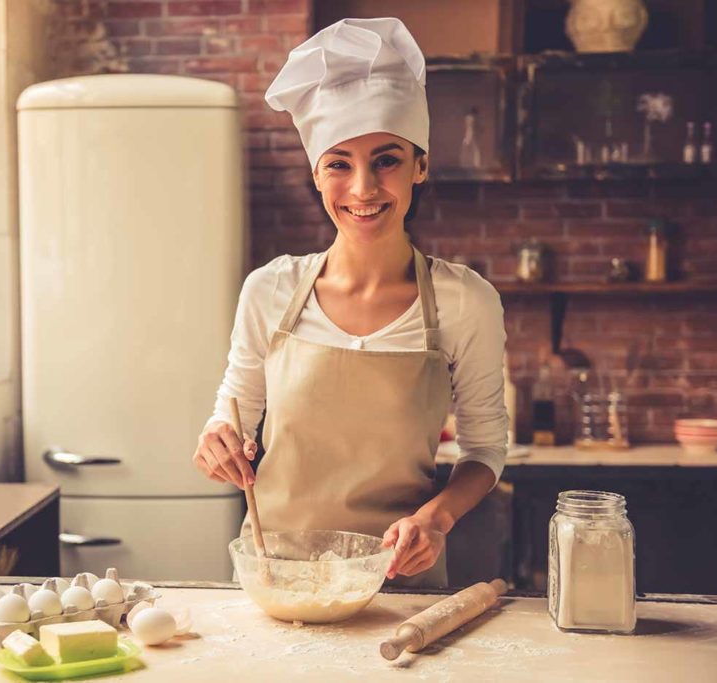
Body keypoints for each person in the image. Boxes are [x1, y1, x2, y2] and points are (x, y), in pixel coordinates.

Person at [192, 18, 508, 587]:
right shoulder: (269, 290)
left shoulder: (465, 303)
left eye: (386, 160)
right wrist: (218, 439)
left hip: (401, 583)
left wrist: (436, 519)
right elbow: (235, 410)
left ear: (420, 166)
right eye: (339, 163)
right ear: (317, 174)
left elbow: (484, 451)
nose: (363, 188)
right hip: (278, 578)